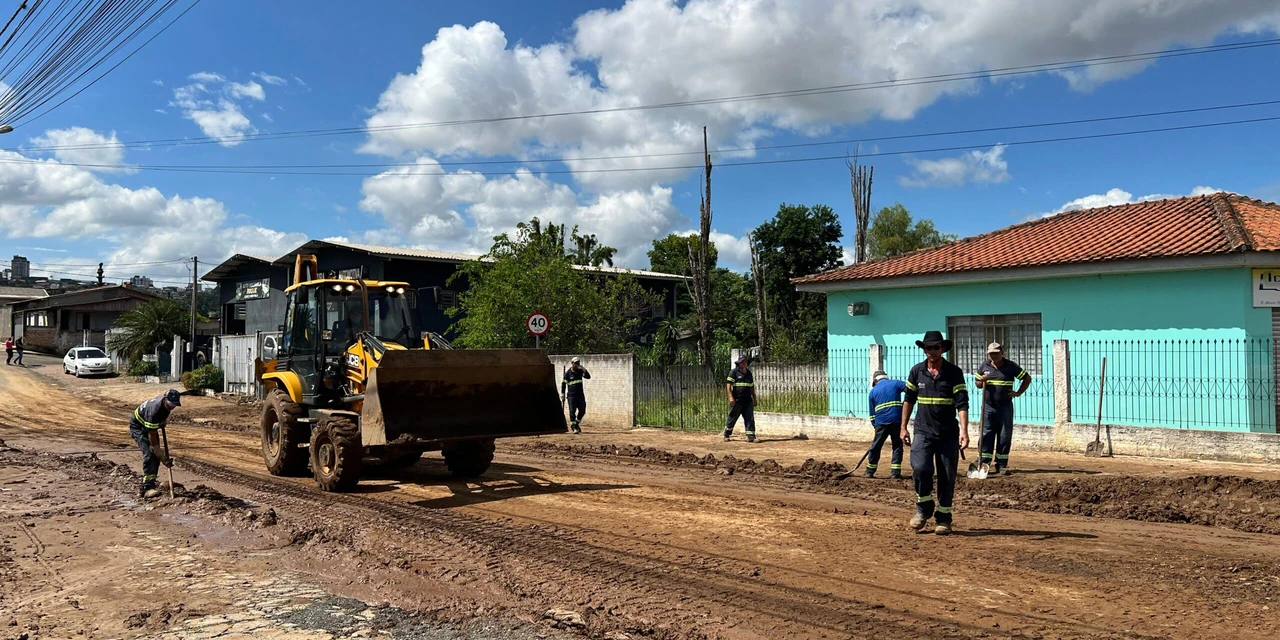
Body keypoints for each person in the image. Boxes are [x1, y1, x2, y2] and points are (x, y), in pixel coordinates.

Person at [900, 331, 970, 535]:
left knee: (947, 476)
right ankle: (924, 508)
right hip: (922, 431)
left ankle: (944, 518)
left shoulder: (954, 372)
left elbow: (962, 404)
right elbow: (909, 400)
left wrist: (964, 432)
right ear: (924, 349)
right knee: (920, 468)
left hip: (948, 433)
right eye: (928, 348)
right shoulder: (916, 371)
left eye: (935, 347)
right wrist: (903, 427)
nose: (931, 351)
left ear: (943, 349)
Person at [975, 342, 1031, 476]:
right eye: (991, 354)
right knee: (986, 433)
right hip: (988, 406)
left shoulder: (1010, 366)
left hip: (1005, 407)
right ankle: (983, 462)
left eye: (996, 353)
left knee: (1004, 435)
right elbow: (977, 384)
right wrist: (982, 380)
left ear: (1002, 353)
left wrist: (1018, 392)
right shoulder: (984, 366)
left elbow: (1027, 378)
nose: (993, 356)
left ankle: (1001, 464)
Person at [129, 389, 182, 497]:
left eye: (174, 405)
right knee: (149, 453)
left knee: (155, 455)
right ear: (165, 400)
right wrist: (160, 453)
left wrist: (161, 422)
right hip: (138, 427)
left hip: (149, 424)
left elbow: (161, 418)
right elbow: (152, 436)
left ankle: (151, 483)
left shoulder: (166, 406)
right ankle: (146, 488)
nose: (172, 407)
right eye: (170, 404)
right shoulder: (154, 411)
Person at [866, 370, 906, 479]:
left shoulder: (873, 392)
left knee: (876, 446)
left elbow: (872, 414)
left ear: (875, 381)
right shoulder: (896, 383)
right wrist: (906, 404)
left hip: (881, 423)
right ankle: (895, 472)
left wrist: (876, 426)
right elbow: (910, 389)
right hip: (896, 421)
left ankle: (870, 471)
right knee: (897, 445)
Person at [723, 354, 757, 442]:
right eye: (742, 362)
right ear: (739, 363)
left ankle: (751, 436)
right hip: (737, 401)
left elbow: (752, 387)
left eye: (745, 362)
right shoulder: (733, 372)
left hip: (748, 401)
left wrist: (754, 398)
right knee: (732, 417)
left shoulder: (749, 374)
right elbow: (728, 385)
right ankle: (727, 434)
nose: (744, 363)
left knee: (749, 418)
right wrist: (731, 397)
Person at [561, 357, 591, 435]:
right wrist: (562, 394)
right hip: (571, 396)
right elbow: (563, 384)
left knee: (582, 411)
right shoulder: (567, 374)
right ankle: (573, 427)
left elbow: (588, 376)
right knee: (572, 412)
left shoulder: (580, 371)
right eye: (576, 363)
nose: (577, 365)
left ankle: (576, 423)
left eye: (578, 363)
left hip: (580, 395)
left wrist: (583, 368)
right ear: (572, 363)